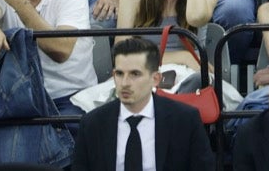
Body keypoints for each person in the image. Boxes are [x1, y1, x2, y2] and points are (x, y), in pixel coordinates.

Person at [72, 37, 212, 171]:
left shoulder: (185, 120)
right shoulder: (92, 124)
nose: (125, 83)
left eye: (135, 74)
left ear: (156, 79)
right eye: (119, 74)